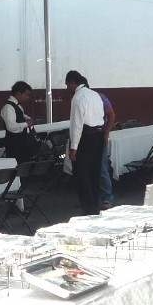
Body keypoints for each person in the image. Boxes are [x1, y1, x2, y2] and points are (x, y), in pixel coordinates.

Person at [65, 70, 105, 216]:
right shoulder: (95, 95)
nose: (67, 88)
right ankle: (96, 204)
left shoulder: (78, 98)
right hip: (99, 136)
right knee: (95, 172)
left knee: (82, 174)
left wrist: (73, 148)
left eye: (67, 85)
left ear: (72, 83)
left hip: (85, 138)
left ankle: (88, 207)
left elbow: (77, 124)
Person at [0, 81, 35, 160]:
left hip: (22, 143)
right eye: (26, 94)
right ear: (18, 94)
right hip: (14, 145)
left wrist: (28, 118)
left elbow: (21, 115)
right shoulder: (8, 107)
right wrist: (27, 124)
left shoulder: (17, 105)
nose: (28, 97)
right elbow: (11, 127)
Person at [97, 89, 117, 209]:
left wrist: (106, 133)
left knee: (102, 168)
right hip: (88, 136)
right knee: (98, 168)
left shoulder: (100, 98)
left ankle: (106, 198)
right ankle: (94, 197)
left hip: (98, 135)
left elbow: (111, 115)